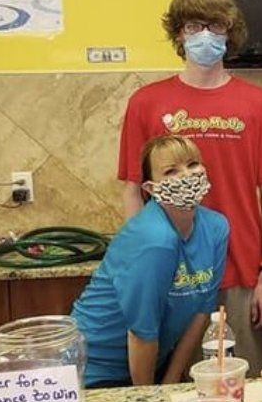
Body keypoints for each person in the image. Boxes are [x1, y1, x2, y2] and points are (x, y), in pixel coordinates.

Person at [117, 0, 262, 376]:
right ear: (178, 34)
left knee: (251, 387)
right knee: (178, 391)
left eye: (215, 26)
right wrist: (144, 266)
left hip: (243, 272)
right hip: (172, 275)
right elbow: (132, 191)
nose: (205, 35)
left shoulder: (260, 105)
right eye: (194, 26)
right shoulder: (146, 103)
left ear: (230, 33)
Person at [73, 135, 228, 388]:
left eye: (192, 164)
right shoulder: (155, 239)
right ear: (151, 188)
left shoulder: (216, 228)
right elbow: (141, 332)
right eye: (171, 171)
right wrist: (149, 397)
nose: (186, 175)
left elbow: (202, 310)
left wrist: (170, 381)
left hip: (152, 361)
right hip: (96, 367)